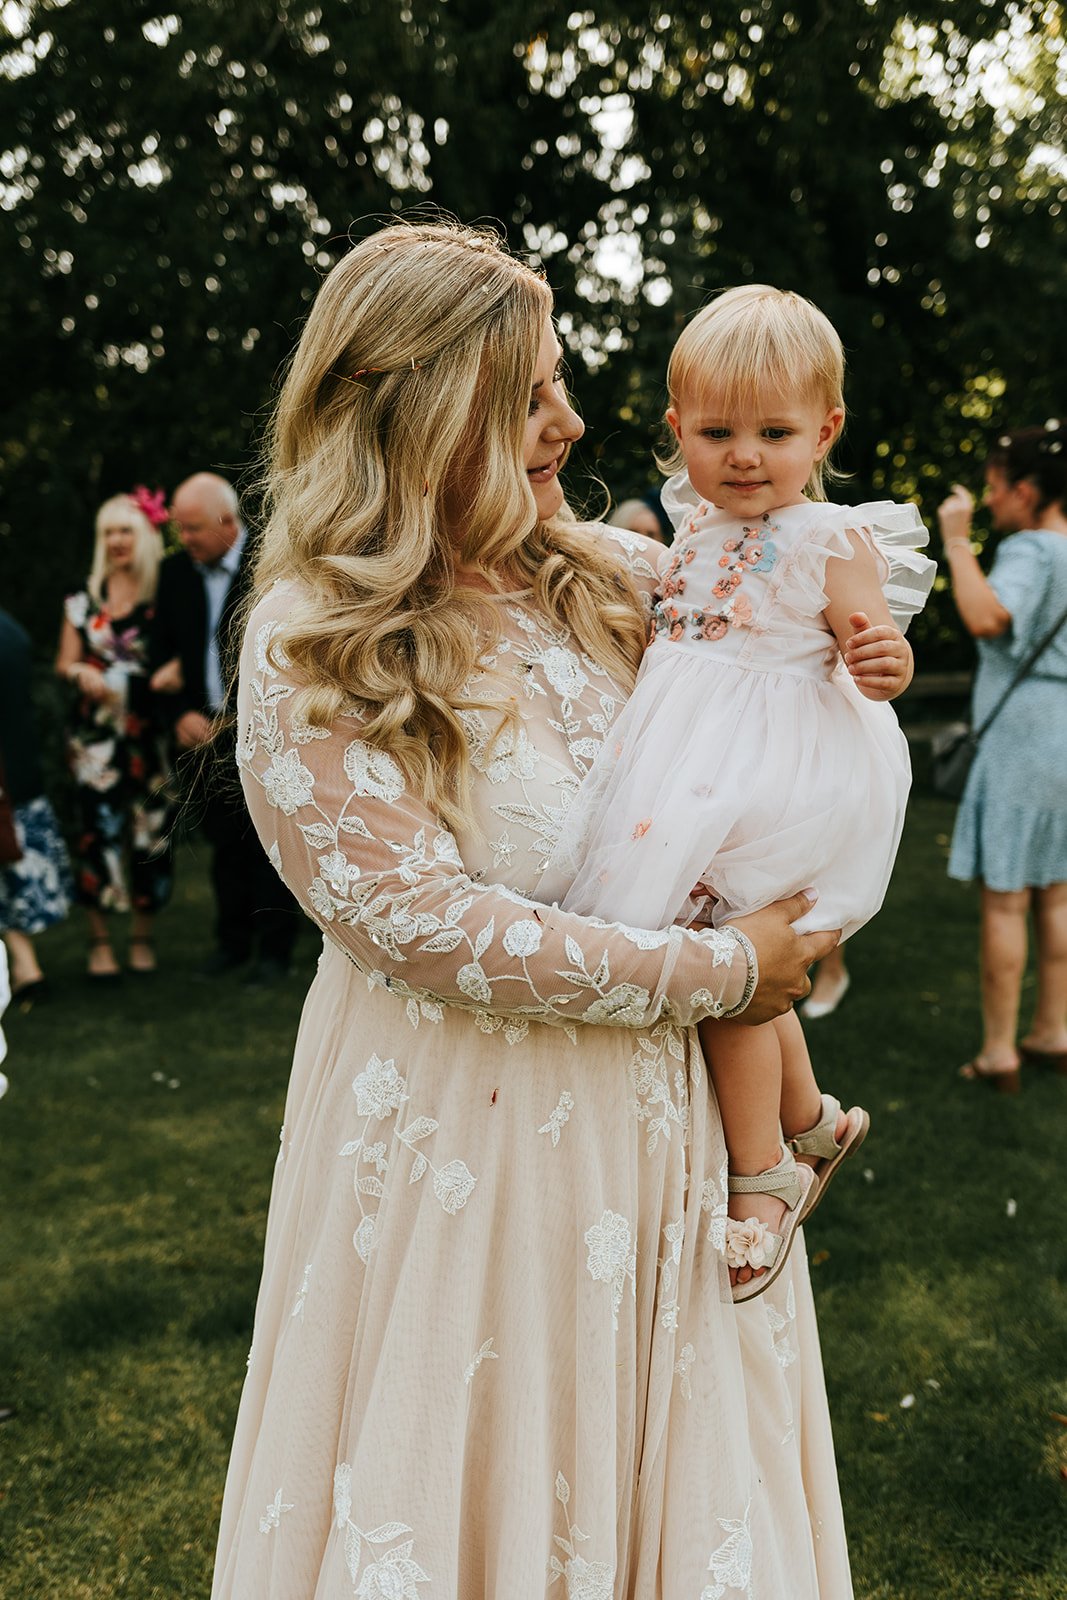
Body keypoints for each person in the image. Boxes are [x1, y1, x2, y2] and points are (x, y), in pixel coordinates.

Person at [211, 223, 854, 1599]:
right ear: (416, 415)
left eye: (559, 385)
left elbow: (768, 764)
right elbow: (418, 923)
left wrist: (799, 901)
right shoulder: (314, 635)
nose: (568, 422)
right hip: (462, 1163)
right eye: (528, 398)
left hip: (670, 1154)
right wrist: (721, 969)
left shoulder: (615, 583)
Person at [540, 285, 935, 1297]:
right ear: (677, 434)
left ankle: (761, 1172)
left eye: (773, 431)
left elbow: (862, 646)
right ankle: (809, 1120)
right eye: (717, 431)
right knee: (718, 949)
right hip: (677, 757)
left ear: (824, 431)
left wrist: (880, 656)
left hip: (768, 767)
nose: (745, 454)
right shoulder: (691, 531)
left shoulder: (826, 537)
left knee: (724, 961)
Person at [939, 424, 1067, 1089]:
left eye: (992, 490)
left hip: (1021, 738)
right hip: (1065, 730)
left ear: (1023, 491)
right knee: (1055, 897)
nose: (988, 502)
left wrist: (957, 541)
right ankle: (1052, 1030)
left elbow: (988, 617)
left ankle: (997, 1052)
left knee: (1007, 903)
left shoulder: (1029, 550)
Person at [150, 472, 297, 984]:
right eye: (179, 530)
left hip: (262, 729)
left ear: (228, 522)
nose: (184, 539)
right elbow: (161, 653)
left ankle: (275, 951)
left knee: (268, 844)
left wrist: (239, 716)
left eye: (193, 529)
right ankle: (231, 943)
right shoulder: (174, 576)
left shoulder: (272, 567)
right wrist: (180, 716)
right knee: (222, 845)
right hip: (199, 734)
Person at [56, 492, 177, 978]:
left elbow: (183, 652)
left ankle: (143, 937)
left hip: (149, 735)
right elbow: (64, 661)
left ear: (144, 535)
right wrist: (78, 673)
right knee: (96, 834)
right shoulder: (81, 599)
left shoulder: (162, 596)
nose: (117, 541)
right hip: (95, 741)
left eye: (125, 530)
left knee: (151, 833)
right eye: (108, 532)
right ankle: (100, 942)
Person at [0, 607, 72, 1009]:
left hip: (9, 778)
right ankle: (24, 965)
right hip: (16, 772)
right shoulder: (10, 628)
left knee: (10, 872)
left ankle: (25, 967)